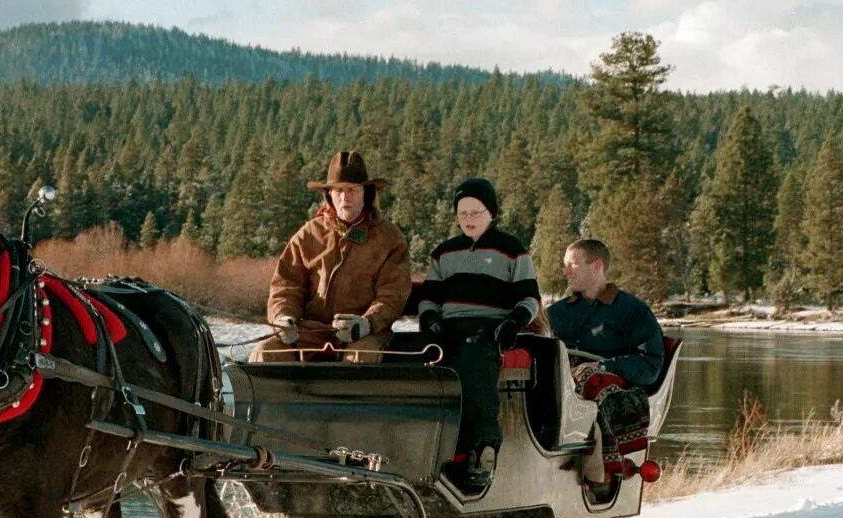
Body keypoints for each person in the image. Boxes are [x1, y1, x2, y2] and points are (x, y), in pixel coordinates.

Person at [418, 177, 540, 492]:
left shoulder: (512, 250)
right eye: (463, 214)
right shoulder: (444, 252)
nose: (469, 220)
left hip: (490, 326)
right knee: (411, 359)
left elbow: (530, 298)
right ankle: (420, 447)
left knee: (474, 361)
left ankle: (484, 447)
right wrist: (430, 319)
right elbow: (429, 297)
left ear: (491, 212)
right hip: (447, 326)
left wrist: (515, 321)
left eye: (476, 212)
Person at [251, 151, 412, 363]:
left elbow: (393, 294)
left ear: (367, 193)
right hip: (309, 333)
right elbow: (286, 285)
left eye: (352, 190)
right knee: (265, 353)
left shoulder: (389, 238)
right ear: (329, 195)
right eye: (338, 190)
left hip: (363, 334)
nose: (345, 197)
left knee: (361, 357)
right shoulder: (309, 234)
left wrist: (367, 323)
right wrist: (283, 318)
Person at [548, 238, 666, 494]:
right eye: (565, 265)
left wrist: (604, 365)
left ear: (596, 266)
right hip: (560, 385)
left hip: (611, 386)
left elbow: (650, 365)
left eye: (573, 265)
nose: (566, 271)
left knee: (591, 378)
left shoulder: (633, 311)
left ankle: (602, 470)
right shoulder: (556, 313)